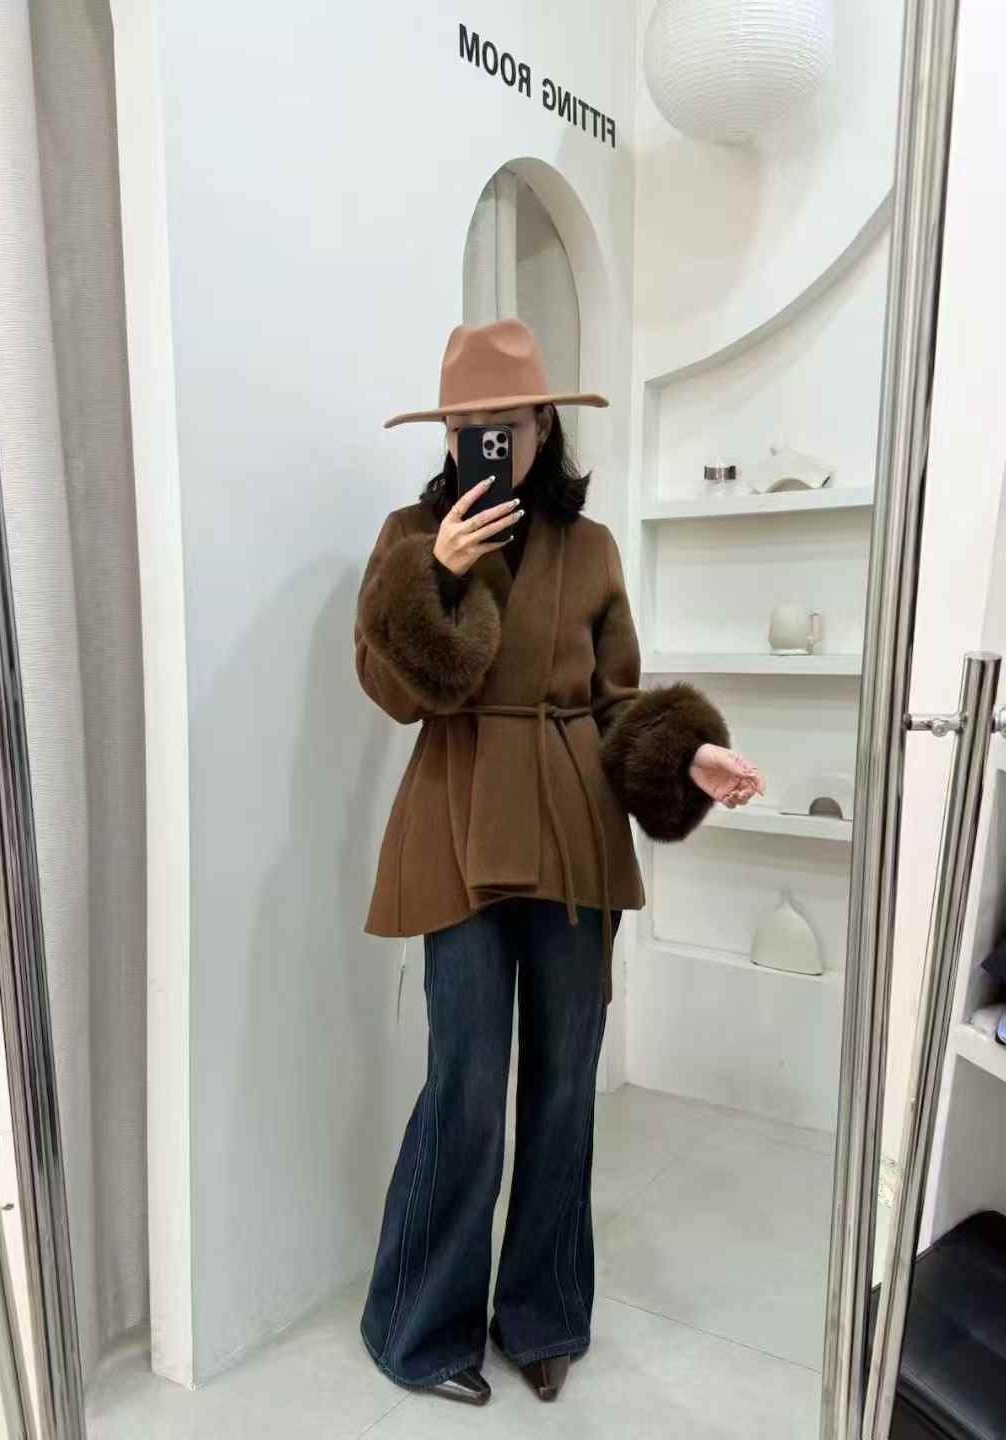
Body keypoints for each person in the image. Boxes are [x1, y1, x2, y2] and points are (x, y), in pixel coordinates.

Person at [354, 318, 764, 1406]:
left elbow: (617, 703)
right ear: (447, 433)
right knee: (466, 1083)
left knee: (565, 1084)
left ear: (543, 424)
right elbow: (391, 694)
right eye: (464, 424)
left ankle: (542, 1313)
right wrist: (435, 579)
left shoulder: (593, 550)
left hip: (575, 834)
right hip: (456, 829)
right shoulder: (410, 535)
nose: (484, 439)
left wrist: (691, 754)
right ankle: (418, 1326)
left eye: (505, 421)